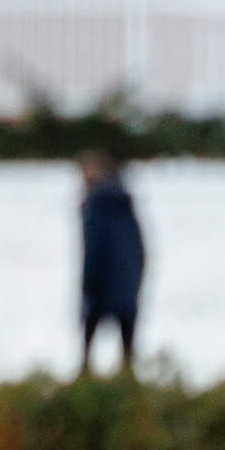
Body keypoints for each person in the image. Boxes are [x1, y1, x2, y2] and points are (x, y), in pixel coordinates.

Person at [77, 152, 146, 375]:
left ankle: (86, 381)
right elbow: (141, 249)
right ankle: (127, 385)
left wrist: (88, 286)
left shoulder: (96, 206)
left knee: (88, 346)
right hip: (127, 286)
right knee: (127, 350)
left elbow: (94, 251)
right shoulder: (125, 203)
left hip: (102, 285)